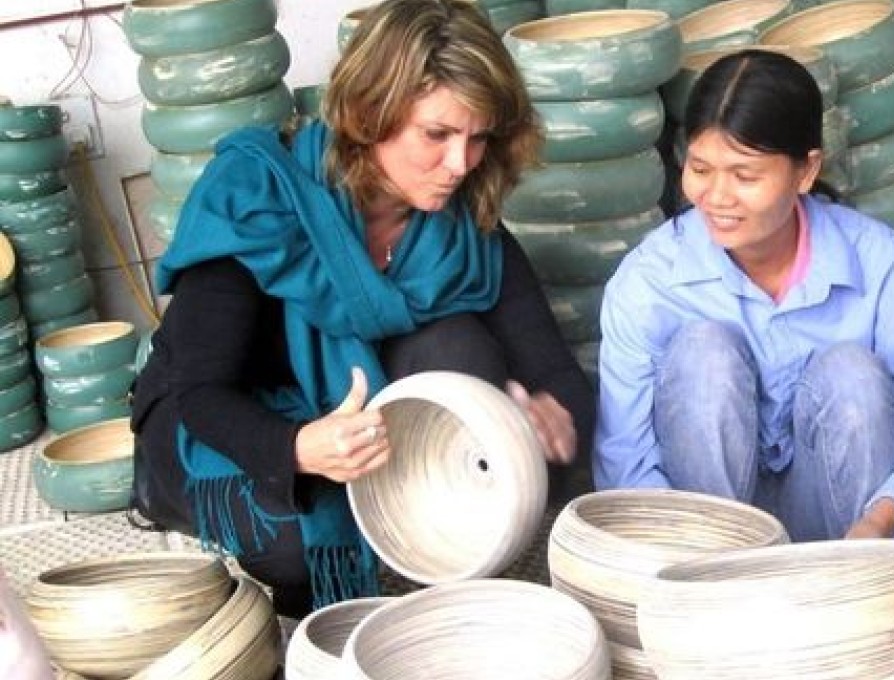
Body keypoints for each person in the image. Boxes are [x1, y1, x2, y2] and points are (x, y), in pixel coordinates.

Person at [129, 0, 594, 618]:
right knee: (299, 548)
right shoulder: (258, 198)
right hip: (232, 417)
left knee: (460, 349)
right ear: (372, 112)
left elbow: (556, 371)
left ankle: (408, 512)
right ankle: (191, 496)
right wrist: (296, 448)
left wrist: (554, 418)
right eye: (437, 134)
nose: (461, 164)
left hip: (360, 425)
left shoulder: (463, 223)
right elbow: (201, 392)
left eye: (478, 137)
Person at [594, 49, 894, 543]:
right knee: (703, 354)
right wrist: (679, 552)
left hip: (844, 528)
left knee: (853, 374)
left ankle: (843, 586)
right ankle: (725, 580)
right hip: (705, 537)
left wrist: (882, 519)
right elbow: (624, 453)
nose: (717, 196)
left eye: (745, 175)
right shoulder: (650, 280)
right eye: (700, 168)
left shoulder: (884, 267)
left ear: (805, 171)